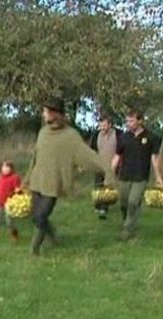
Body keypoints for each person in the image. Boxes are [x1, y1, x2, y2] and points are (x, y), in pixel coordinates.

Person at [25, 98, 111, 255]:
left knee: (40, 216)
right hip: (37, 180)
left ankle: (34, 250)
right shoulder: (43, 133)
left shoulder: (70, 136)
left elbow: (88, 155)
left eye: (46, 112)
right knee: (34, 215)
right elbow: (35, 157)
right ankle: (53, 235)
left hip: (53, 184)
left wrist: (107, 169)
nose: (43, 115)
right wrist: (27, 179)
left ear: (55, 114)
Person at [111, 110, 163, 241]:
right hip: (124, 176)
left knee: (133, 202)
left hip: (140, 177)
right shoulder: (123, 137)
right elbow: (117, 157)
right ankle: (126, 222)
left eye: (132, 121)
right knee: (123, 203)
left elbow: (154, 160)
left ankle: (127, 231)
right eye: (127, 121)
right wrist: (109, 173)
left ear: (140, 121)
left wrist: (158, 178)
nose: (128, 124)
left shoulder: (151, 137)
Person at [89, 114, 124, 220]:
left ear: (110, 125)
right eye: (101, 125)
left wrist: (120, 163)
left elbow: (122, 150)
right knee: (98, 186)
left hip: (112, 165)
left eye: (104, 125)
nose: (103, 128)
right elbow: (92, 150)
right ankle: (98, 205)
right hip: (99, 165)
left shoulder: (118, 134)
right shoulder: (96, 135)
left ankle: (104, 208)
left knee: (107, 187)